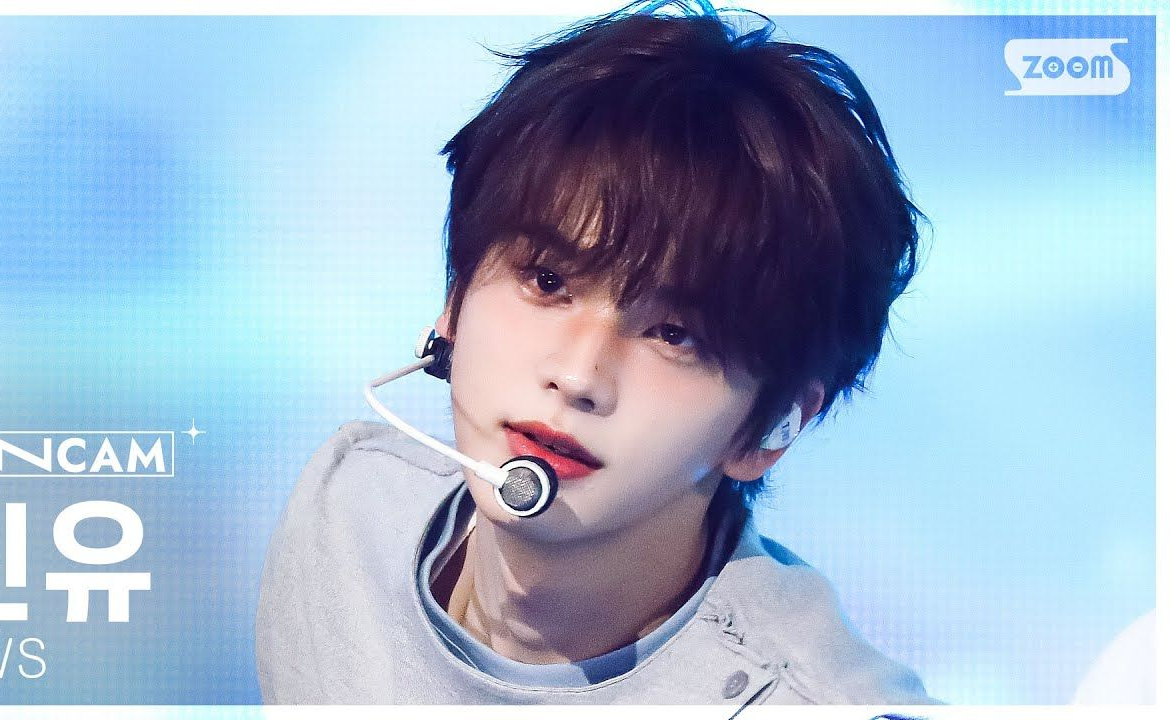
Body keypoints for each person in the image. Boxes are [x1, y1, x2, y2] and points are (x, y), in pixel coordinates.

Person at [257, 2, 938, 705]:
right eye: (547, 281)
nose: (577, 375)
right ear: (455, 301)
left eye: (674, 334)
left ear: (770, 428)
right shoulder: (345, 510)